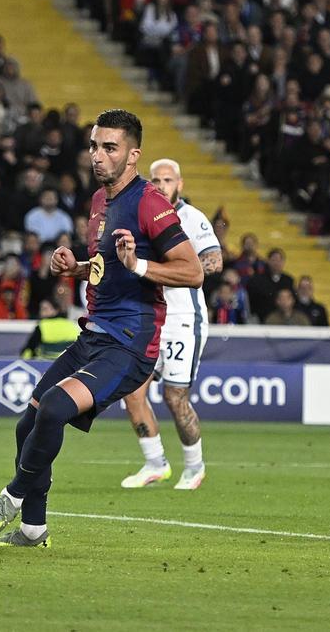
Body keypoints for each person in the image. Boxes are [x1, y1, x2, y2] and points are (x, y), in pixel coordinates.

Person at [0, 110, 203, 547]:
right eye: (94, 146)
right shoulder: (100, 201)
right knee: (28, 424)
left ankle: (13, 495)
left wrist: (141, 264)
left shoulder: (151, 201)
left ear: (133, 155)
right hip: (95, 335)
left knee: (55, 409)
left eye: (109, 147)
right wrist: (76, 266)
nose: (98, 155)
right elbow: (107, 267)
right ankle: (34, 531)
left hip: (130, 344)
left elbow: (192, 272)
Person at [119, 158, 222, 492]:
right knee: (132, 393)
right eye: (156, 180)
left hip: (182, 320)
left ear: (180, 184)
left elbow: (213, 261)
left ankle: (194, 467)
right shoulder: (141, 217)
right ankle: (155, 463)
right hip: (149, 318)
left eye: (168, 180)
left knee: (175, 397)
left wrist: (167, 271)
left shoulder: (191, 218)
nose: (161, 185)